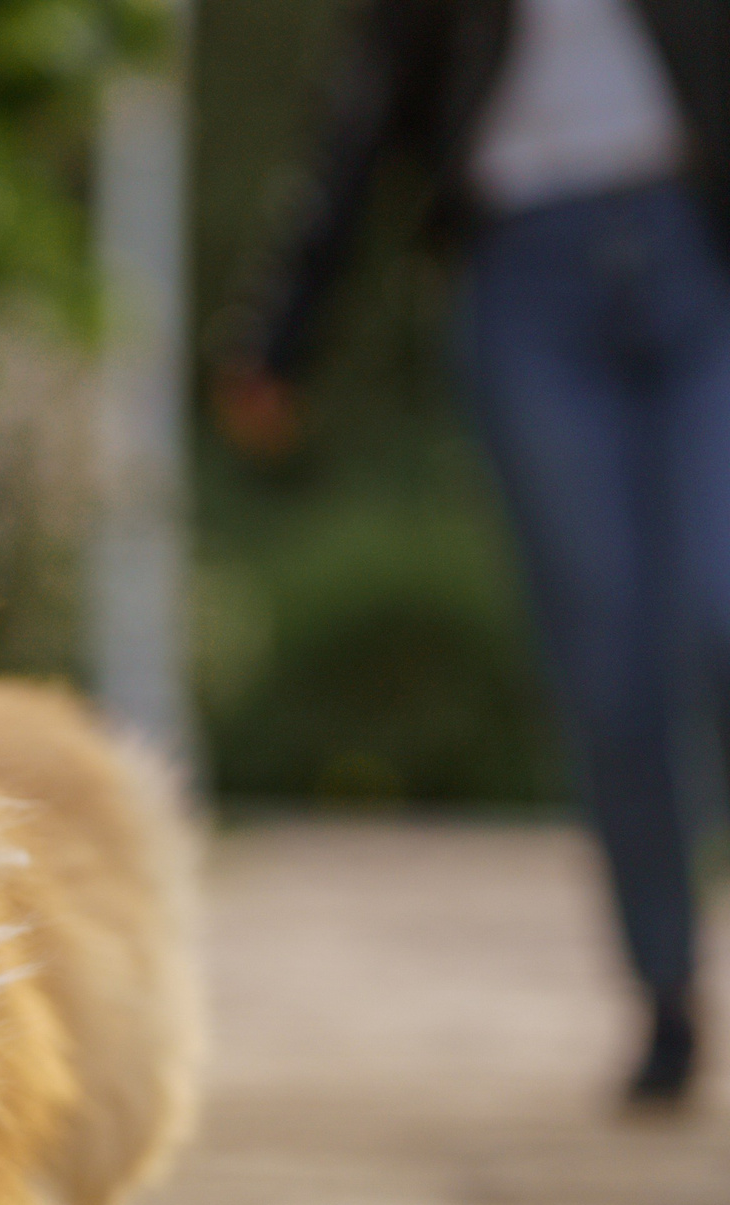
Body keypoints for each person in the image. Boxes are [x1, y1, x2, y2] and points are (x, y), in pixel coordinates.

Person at [216, 0, 730, 1107]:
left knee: (714, 598)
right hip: (527, 283)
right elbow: (361, 122)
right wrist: (279, 332)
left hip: (698, 254)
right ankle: (664, 984)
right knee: (609, 665)